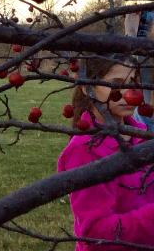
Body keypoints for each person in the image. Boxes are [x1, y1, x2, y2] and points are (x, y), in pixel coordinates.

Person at [57, 55, 154, 250]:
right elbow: (95, 234)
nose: (129, 92)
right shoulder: (85, 150)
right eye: (116, 84)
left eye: (133, 82)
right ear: (87, 87)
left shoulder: (142, 137)